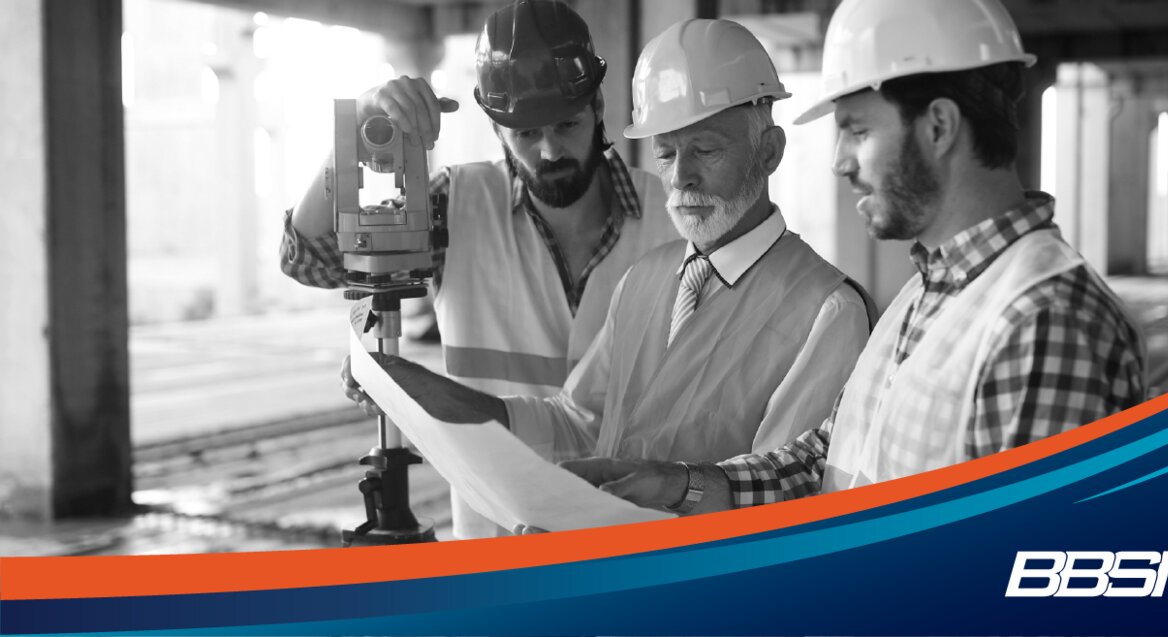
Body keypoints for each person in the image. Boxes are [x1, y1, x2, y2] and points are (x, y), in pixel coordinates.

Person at [562, 0, 1147, 514]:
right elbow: (829, 460)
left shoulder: (1042, 317)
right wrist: (676, 485)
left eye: (857, 131)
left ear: (939, 125)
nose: (840, 161)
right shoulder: (927, 293)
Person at [347, 18, 873, 518]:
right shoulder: (645, 279)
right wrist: (415, 387)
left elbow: (788, 500)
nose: (682, 177)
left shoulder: (827, 311)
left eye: (706, 149)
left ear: (771, 152)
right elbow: (574, 425)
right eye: (666, 154)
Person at [280, 0, 679, 539]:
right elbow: (307, 256)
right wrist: (357, 125)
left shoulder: (675, 218)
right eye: (526, 134)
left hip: (634, 538)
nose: (550, 149)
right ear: (496, 129)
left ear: (598, 107)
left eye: (567, 124)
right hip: (496, 542)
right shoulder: (457, 206)